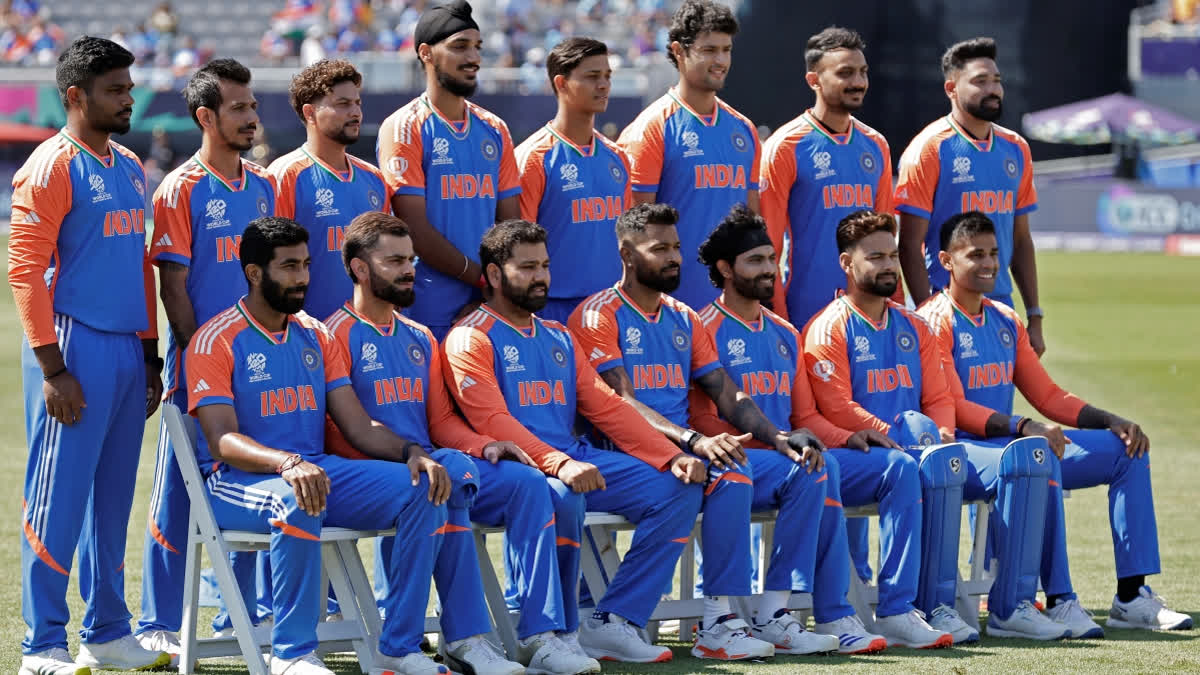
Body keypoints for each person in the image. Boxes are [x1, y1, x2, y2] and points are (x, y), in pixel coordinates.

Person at [324, 211, 598, 675]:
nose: (410, 269)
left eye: (411, 259)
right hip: (380, 473)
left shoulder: (420, 337)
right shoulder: (332, 334)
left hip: (437, 461)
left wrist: (483, 445)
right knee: (444, 478)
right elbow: (339, 431)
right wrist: (431, 457)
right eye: (395, 261)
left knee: (528, 482)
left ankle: (541, 636)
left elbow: (441, 421)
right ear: (359, 269)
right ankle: (467, 638)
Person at [804, 210, 1088, 643]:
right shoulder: (828, 327)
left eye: (893, 256)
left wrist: (943, 437)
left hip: (920, 447)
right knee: (917, 458)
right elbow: (837, 407)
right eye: (874, 257)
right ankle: (920, 605)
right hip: (862, 451)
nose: (887, 266)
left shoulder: (914, 326)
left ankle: (1012, 606)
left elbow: (939, 398)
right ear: (847, 264)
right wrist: (905, 438)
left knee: (1030, 457)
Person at [568, 202, 835, 660]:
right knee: (729, 475)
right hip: (623, 455)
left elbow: (727, 394)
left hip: (685, 454)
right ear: (627, 255)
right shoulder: (598, 315)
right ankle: (716, 620)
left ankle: (773, 614)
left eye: (675, 247)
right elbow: (620, 403)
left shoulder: (683, 318)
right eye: (660, 249)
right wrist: (692, 440)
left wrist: (778, 438)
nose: (673, 257)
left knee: (807, 468)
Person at [187, 216, 452, 675]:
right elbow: (222, 440)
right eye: (289, 267)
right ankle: (292, 655)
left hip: (315, 472)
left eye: (306, 265)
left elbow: (357, 425)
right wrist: (287, 463)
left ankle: (399, 646)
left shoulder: (316, 333)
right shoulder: (216, 339)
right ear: (255, 273)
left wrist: (413, 453)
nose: (303, 278)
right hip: (237, 483)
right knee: (298, 498)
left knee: (423, 489)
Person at [442, 219, 708, 664]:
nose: (542, 276)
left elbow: (606, 407)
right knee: (560, 494)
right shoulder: (470, 337)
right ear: (492, 275)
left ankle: (615, 620)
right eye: (527, 267)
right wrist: (557, 464)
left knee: (678, 488)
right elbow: (493, 420)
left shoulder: (559, 336)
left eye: (544, 265)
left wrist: (669, 456)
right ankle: (546, 635)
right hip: (509, 468)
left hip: (574, 457)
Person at [920, 211, 1191, 632]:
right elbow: (952, 407)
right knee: (1038, 455)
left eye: (994, 252)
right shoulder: (931, 322)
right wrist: (1023, 427)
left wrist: (1111, 420)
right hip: (963, 451)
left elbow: (1046, 394)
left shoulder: (1004, 319)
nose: (990, 263)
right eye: (976, 254)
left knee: (1128, 451)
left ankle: (1131, 597)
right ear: (946, 261)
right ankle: (1061, 600)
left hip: (1016, 447)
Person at [10, 36, 171, 674]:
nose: (128, 99)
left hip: (128, 349)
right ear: (76, 96)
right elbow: (24, 272)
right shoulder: (50, 166)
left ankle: (107, 631)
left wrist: (152, 354)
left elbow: (139, 264)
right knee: (57, 497)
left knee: (111, 500)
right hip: (71, 347)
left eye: (129, 88)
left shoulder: (131, 166)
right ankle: (42, 644)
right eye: (115, 90)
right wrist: (52, 368)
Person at [692, 204, 903, 655]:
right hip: (727, 457)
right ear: (725, 269)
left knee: (818, 465)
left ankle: (776, 612)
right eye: (756, 261)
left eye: (772, 259)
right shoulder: (701, 327)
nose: (770, 269)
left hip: (774, 457)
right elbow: (701, 418)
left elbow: (804, 419)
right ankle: (721, 619)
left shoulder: (786, 333)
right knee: (781, 470)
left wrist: (845, 437)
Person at [138, 58, 278, 657]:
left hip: (259, 366)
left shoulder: (266, 185)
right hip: (200, 367)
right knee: (178, 490)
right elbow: (173, 284)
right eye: (239, 108)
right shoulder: (181, 188)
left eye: (252, 106)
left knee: (247, 484)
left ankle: (236, 615)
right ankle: (158, 620)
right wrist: (198, 361)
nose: (251, 117)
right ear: (205, 117)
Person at [377, 0, 521, 340]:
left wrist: (495, 291)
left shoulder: (494, 128)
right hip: (428, 307)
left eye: (477, 47)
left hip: (490, 303)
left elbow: (511, 224)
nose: (473, 57)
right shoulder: (404, 128)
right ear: (426, 53)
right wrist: (483, 279)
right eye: (459, 47)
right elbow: (413, 228)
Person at [894, 37, 1045, 355]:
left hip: (1002, 309)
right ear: (951, 88)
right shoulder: (930, 149)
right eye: (980, 81)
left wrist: (1034, 316)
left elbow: (1020, 240)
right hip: (945, 309)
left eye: (997, 81)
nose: (993, 89)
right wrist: (927, 317)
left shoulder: (1016, 148)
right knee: (947, 405)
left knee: (998, 402)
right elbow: (908, 245)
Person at [617, 0, 760, 310]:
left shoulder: (744, 130)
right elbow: (634, 236)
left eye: (727, 50)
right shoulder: (651, 129)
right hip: (672, 310)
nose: (721, 60)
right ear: (679, 51)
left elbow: (751, 225)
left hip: (733, 310)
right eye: (709, 50)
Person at [759, 26, 895, 326]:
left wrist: (894, 310)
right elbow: (768, 247)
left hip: (868, 314)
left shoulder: (876, 145)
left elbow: (887, 241)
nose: (858, 82)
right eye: (846, 73)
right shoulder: (786, 146)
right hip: (805, 311)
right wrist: (779, 323)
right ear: (814, 80)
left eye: (863, 72)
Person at [516, 37, 632, 324]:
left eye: (607, 76)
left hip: (612, 309)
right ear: (561, 83)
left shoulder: (618, 157)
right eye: (592, 77)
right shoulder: (533, 158)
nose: (604, 85)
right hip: (552, 310)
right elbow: (517, 248)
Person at [271, 59, 392, 321]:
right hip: (309, 341)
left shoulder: (375, 179)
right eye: (343, 104)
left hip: (366, 338)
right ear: (310, 113)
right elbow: (273, 268)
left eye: (358, 103)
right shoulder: (285, 176)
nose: (356, 112)